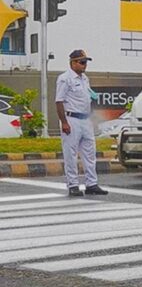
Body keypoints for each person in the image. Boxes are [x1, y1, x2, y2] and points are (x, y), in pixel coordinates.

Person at [55, 50, 108, 197]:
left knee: (90, 154)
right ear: (73, 63)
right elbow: (59, 102)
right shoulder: (65, 79)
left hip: (85, 119)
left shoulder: (85, 78)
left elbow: (87, 99)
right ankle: (73, 185)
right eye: (82, 62)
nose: (85, 65)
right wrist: (64, 122)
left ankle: (92, 184)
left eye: (86, 62)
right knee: (71, 154)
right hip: (71, 119)